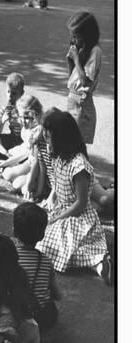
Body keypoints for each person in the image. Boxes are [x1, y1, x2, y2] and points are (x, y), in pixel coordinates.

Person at [36, 108, 112, 284]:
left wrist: (57, 219)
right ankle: (99, 262)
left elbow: (81, 203)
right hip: (63, 211)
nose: (46, 142)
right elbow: (57, 184)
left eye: (48, 137)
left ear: (61, 138)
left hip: (78, 217)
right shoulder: (57, 156)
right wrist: (51, 201)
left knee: (47, 246)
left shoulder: (79, 165)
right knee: (42, 237)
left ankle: (101, 262)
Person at [0, 95, 51, 201]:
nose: (23, 121)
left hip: (35, 166)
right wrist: (7, 162)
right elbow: (25, 152)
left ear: (35, 114)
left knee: (19, 184)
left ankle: (1, 165)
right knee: (11, 178)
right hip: (28, 161)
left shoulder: (38, 132)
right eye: (21, 117)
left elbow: (36, 164)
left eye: (27, 118)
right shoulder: (26, 128)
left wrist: (35, 189)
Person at [14, 202, 62, 332]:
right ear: (41, 236)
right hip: (39, 317)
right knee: (50, 306)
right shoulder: (45, 262)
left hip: (13, 315)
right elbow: (58, 295)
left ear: (14, 231)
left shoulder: (8, 256)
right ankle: (43, 336)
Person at [66, 11, 102, 145]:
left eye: (76, 36)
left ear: (87, 35)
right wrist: (70, 62)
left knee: (78, 140)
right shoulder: (82, 49)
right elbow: (72, 78)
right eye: (72, 36)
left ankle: (80, 165)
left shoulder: (95, 51)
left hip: (82, 101)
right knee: (70, 136)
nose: (73, 40)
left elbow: (85, 81)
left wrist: (76, 59)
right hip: (72, 97)